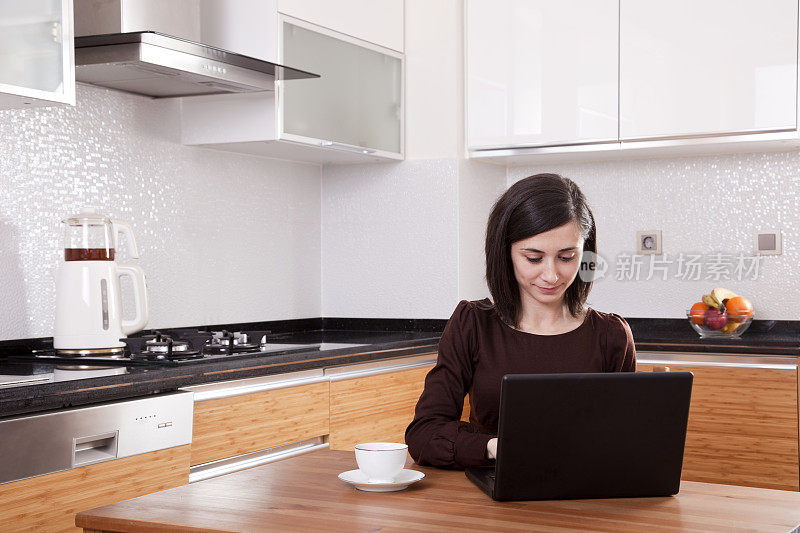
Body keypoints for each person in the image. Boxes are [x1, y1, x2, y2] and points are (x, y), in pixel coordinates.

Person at [405, 173, 636, 469]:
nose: (552, 275)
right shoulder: (473, 324)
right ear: (505, 253)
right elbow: (423, 433)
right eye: (533, 258)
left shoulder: (611, 336)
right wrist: (493, 447)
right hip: (491, 501)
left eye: (567, 257)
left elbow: (627, 440)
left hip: (584, 500)